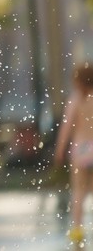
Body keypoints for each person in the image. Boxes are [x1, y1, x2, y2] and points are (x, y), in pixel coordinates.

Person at [55, 63, 93, 248]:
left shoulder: (76, 100)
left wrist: (60, 150)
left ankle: (77, 230)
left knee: (79, 191)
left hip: (81, 151)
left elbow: (66, 127)